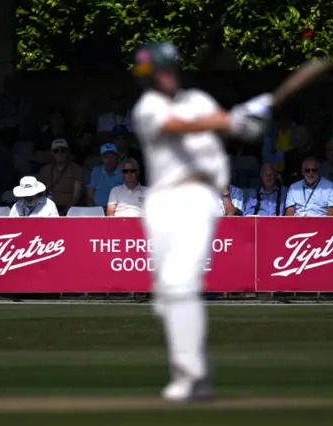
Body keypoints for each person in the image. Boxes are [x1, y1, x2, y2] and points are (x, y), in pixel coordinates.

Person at [131, 40, 270, 402]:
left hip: (198, 197)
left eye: (167, 69)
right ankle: (198, 369)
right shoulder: (148, 107)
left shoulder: (199, 101)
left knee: (181, 282)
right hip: (161, 200)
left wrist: (249, 121)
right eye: (156, 72)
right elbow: (178, 126)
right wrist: (232, 117)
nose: (164, 77)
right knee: (166, 297)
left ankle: (188, 374)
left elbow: (238, 131)